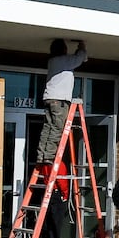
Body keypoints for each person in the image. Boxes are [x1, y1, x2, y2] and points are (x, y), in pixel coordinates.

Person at [34, 38, 87, 167]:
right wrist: (82, 47)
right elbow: (81, 58)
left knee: (48, 127)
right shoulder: (65, 60)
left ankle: (42, 155)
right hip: (59, 100)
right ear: (64, 49)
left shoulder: (52, 61)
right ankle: (49, 157)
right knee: (57, 127)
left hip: (49, 98)